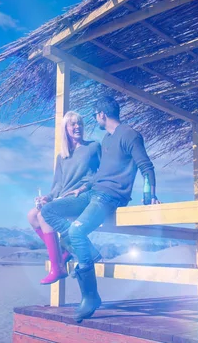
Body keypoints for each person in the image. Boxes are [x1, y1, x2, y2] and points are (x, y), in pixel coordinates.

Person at [41, 96, 160, 323]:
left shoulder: (130, 135)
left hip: (110, 196)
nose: (95, 120)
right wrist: (83, 187)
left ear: (101, 115)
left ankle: (90, 296)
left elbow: (146, 166)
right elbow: (99, 174)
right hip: (92, 192)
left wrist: (150, 195)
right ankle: (89, 251)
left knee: (76, 232)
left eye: (95, 116)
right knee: (48, 211)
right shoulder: (106, 139)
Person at [28, 111, 101, 285]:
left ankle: (57, 267)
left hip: (82, 196)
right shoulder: (62, 156)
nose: (77, 127)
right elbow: (58, 185)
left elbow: (101, 174)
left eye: (80, 123)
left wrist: (84, 187)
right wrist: (48, 197)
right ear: (66, 129)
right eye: (73, 124)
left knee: (43, 215)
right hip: (63, 198)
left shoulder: (93, 147)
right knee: (32, 215)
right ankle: (64, 253)